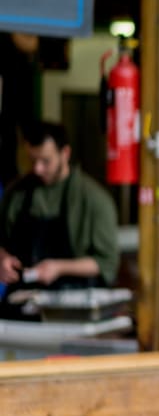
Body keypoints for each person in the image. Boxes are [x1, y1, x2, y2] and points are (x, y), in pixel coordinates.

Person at [0, 122, 119, 315]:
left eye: (45, 161)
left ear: (65, 153)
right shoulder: (16, 193)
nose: (38, 168)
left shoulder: (94, 200)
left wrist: (59, 268)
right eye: (32, 160)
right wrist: (2, 258)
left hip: (73, 307)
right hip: (20, 305)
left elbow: (106, 262)